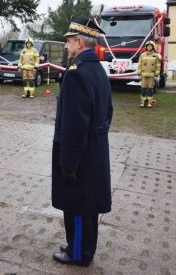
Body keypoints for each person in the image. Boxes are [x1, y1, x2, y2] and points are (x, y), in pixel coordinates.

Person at [52, 16, 113, 267]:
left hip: (80, 152)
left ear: (79, 42)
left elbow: (75, 125)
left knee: (77, 204)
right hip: (95, 149)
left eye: (68, 42)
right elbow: (108, 111)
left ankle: (78, 254)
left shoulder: (76, 74)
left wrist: (69, 162)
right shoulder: (97, 68)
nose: (66, 46)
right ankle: (83, 248)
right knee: (88, 207)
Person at [137, 40, 161, 107]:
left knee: (150, 90)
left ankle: (149, 103)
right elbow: (139, 64)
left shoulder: (156, 56)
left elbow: (158, 66)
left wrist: (156, 75)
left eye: (150, 46)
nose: (149, 47)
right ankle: (143, 102)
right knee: (143, 89)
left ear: (153, 47)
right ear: (146, 47)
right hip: (143, 76)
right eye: (148, 46)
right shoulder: (142, 55)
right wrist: (139, 74)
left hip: (152, 76)